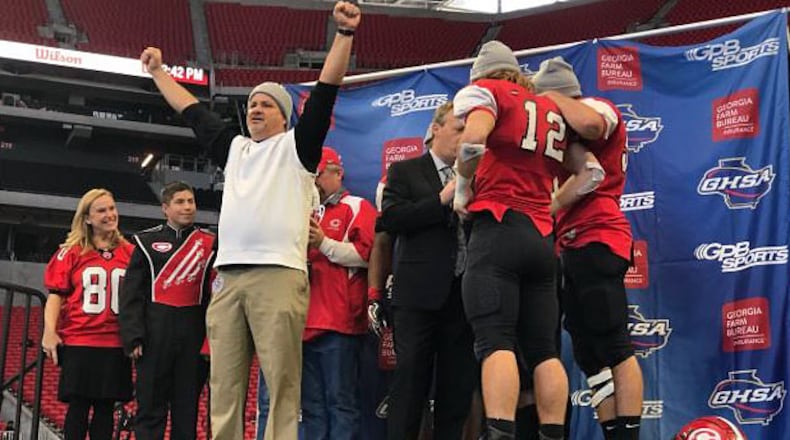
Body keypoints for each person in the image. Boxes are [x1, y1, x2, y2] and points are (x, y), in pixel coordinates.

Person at [139, 3, 361, 438]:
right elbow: (191, 112)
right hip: (229, 278)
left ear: (284, 115)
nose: (255, 109)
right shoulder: (235, 149)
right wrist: (158, 72)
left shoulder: (299, 148)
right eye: (252, 104)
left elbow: (326, 91)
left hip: (278, 274)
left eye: (266, 104)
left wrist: (345, 35)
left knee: (280, 382)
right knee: (224, 383)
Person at [451, 40, 571, 440]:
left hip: (498, 227)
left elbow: (472, 142)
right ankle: (552, 433)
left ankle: (500, 432)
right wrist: (546, 207)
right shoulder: (548, 107)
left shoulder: (486, 92)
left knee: (494, 340)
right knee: (544, 350)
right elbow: (589, 172)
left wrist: (464, 188)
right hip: (540, 234)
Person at [532, 57, 644, 440]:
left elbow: (594, 138)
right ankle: (612, 429)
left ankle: (627, 433)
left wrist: (549, 96)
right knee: (587, 351)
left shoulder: (596, 108)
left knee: (613, 341)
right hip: (571, 242)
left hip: (598, 234)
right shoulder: (565, 133)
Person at [379, 102, 478, 440]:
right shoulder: (404, 171)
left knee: (457, 387)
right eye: (458, 128)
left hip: (464, 295)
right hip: (418, 295)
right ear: (435, 128)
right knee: (409, 385)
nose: (465, 137)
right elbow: (391, 220)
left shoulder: (480, 175)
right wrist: (441, 199)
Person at [119, 181, 216, 440]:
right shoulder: (145, 241)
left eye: (191, 201)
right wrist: (133, 336)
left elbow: (215, 295)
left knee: (187, 410)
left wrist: (211, 341)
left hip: (193, 336)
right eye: (180, 202)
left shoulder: (210, 243)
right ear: (165, 208)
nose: (187, 207)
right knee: (150, 407)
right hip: (154, 335)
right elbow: (132, 294)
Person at [41, 188, 134, 440]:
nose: (109, 214)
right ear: (87, 218)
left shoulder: (131, 253)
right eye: (101, 210)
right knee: (79, 407)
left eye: (112, 208)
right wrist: (49, 332)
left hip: (116, 342)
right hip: (80, 341)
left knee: (106, 409)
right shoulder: (70, 252)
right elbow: (55, 296)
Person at [299, 146, 377, 438]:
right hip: (304, 321)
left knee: (340, 403)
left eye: (317, 176)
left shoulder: (357, 206)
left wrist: (323, 243)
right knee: (312, 407)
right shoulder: (303, 211)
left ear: (337, 172)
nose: (314, 184)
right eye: (309, 179)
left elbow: (367, 255)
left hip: (339, 323)